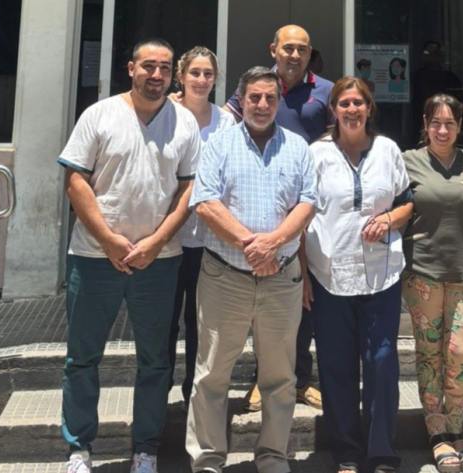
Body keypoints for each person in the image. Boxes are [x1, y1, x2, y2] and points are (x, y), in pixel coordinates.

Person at [57, 38, 201, 473]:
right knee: (82, 358)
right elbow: (75, 181)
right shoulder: (99, 115)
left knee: (155, 361)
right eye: (148, 66)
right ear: (131, 69)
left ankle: (145, 450)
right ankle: (79, 448)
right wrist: (108, 240)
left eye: (165, 68)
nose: (156, 75)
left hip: (159, 261)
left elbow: (188, 189)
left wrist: (156, 242)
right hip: (93, 257)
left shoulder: (184, 122)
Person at [186, 66, 316, 473]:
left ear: (279, 101)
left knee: (280, 377)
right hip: (225, 277)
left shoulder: (298, 147)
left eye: (270, 98)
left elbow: (308, 204)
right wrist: (253, 244)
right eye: (254, 97)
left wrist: (273, 243)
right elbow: (205, 202)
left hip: (281, 279)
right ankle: (208, 459)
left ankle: (273, 456)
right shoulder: (219, 144)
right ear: (241, 101)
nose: (262, 105)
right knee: (211, 375)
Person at [302, 76, 412, 473]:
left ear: (369, 108)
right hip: (329, 274)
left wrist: (388, 219)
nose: (351, 110)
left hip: (382, 274)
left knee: (381, 361)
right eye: (344, 103)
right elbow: (300, 214)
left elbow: (406, 202)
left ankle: (382, 451)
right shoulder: (315, 154)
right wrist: (302, 273)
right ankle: (346, 451)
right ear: (333, 110)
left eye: (358, 103)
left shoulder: (387, 150)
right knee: (336, 365)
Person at [226, 24, 333, 411]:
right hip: (263, 205)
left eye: (302, 49)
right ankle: (263, 378)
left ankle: (301, 379)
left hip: (310, 204)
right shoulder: (258, 86)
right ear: (273, 49)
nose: (295, 55)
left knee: (304, 298)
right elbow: (223, 121)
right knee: (265, 299)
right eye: (288, 48)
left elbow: (338, 135)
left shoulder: (326, 91)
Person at [401, 94, 463, 473]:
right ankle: (437, 432)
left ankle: (457, 425)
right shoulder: (408, 161)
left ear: (460, 126)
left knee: (461, 351)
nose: (443, 130)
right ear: (425, 124)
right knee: (429, 353)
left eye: (450, 123)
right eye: (436, 122)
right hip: (423, 273)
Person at [168, 46, 235, 408]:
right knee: (164, 325)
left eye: (208, 74)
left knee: (203, 325)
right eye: (194, 72)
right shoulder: (165, 114)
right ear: (181, 76)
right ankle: (158, 401)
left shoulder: (226, 123)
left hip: (208, 241)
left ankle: (194, 399)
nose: (201, 79)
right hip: (167, 239)